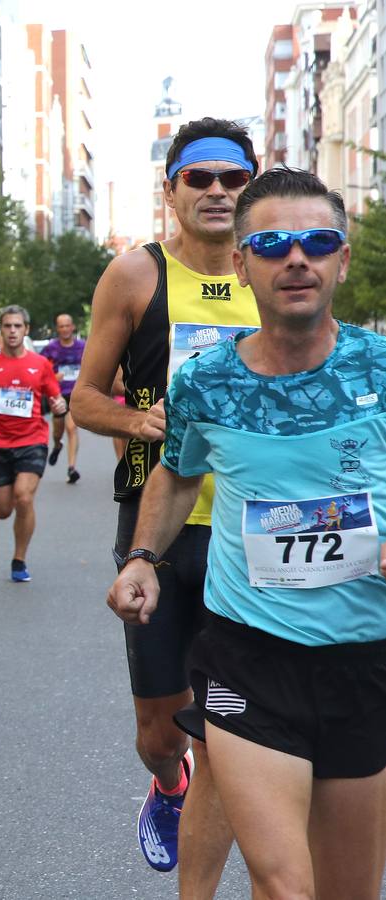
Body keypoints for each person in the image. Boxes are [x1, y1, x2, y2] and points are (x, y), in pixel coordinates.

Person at [108, 167, 386, 900]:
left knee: (345, 891)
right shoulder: (204, 381)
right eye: (271, 243)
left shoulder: (381, 369)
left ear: (341, 260)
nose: (295, 258)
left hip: (364, 655)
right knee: (282, 882)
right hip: (246, 656)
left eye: (316, 241)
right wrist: (142, 557)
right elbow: (175, 473)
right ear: (241, 264)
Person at [73, 117, 259, 893]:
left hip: (251, 534)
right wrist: (133, 420)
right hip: (158, 520)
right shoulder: (135, 275)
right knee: (160, 731)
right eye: (199, 178)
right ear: (172, 190)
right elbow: (82, 398)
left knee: (226, 726)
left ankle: (217, 868)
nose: (216, 192)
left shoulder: (277, 272)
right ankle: (166, 781)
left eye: (232, 179)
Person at [0, 306, 67, 583]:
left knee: (24, 496)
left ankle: (19, 559)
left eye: (17, 326)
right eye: (7, 326)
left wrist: (59, 410)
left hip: (32, 440)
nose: (12, 331)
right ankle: (16, 536)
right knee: (2, 510)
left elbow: (57, 403)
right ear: (1, 330)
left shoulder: (40, 364)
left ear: (26, 329)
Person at [39, 312, 86, 482]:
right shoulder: (50, 349)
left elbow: (92, 368)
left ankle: (71, 468)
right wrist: (52, 376)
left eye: (68, 325)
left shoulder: (83, 347)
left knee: (72, 428)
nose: (65, 329)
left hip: (76, 394)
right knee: (58, 430)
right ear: (57, 329)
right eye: (61, 326)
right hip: (57, 395)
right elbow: (40, 369)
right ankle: (58, 444)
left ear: (72, 327)